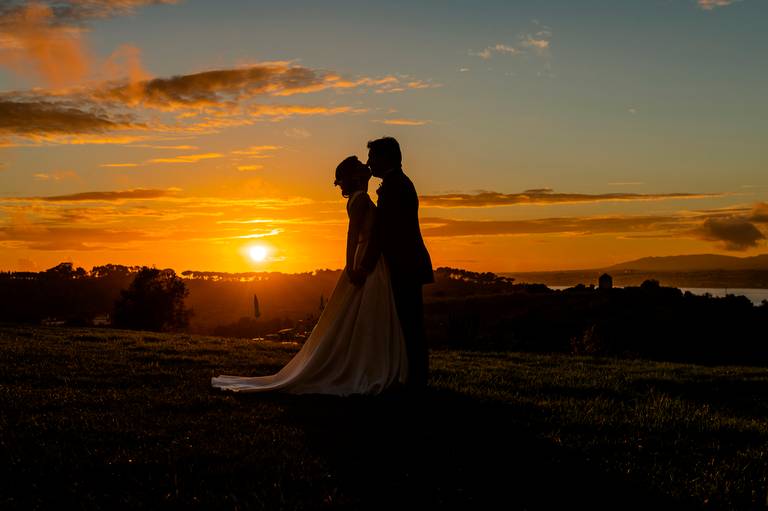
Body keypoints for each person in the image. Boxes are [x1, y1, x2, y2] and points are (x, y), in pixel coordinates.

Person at [211, 156, 408, 396]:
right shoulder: (359, 200)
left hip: (370, 258)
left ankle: (367, 361)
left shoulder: (363, 198)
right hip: (364, 257)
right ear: (356, 177)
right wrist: (350, 265)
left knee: (364, 313)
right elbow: (352, 234)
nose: (367, 168)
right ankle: (361, 364)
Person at [357, 137, 434, 391]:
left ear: (385, 158)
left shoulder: (395, 187)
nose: (368, 163)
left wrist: (365, 265)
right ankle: (411, 375)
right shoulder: (397, 183)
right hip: (406, 263)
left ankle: (416, 379)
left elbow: (382, 232)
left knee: (409, 323)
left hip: (405, 264)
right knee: (407, 323)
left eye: (372, 157)